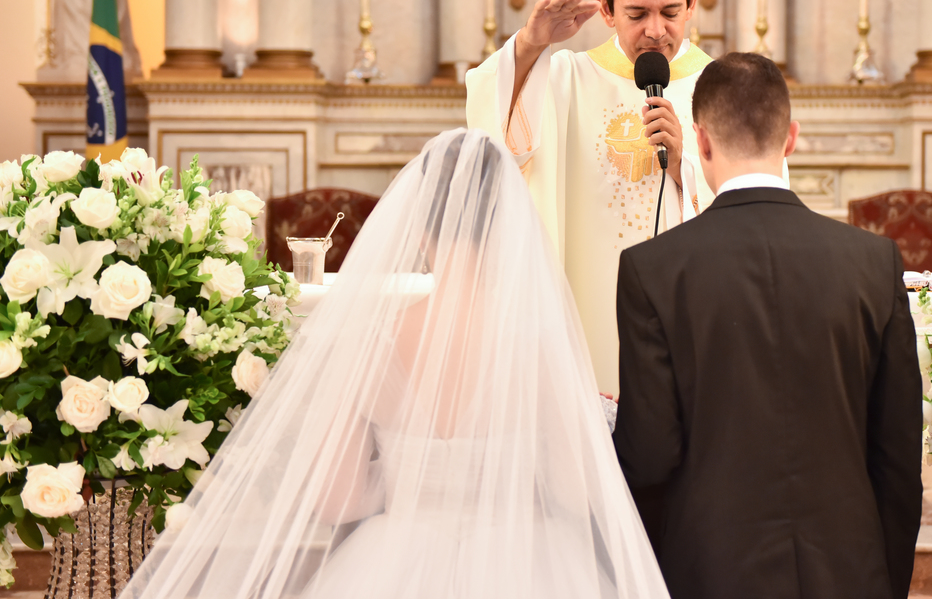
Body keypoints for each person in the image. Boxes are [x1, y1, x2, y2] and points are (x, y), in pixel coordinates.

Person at [119, 129, 671, 599]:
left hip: (393, 558)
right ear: (507, 225)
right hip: (529, 559)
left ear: (419, 226)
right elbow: (575, 491)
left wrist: (411, 485)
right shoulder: (534, 337)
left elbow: (338, 498)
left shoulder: (378, 338)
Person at [612, 53, 924, 599]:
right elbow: (898, 456)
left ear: (701, 142)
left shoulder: (651, 271)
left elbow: (650, 459)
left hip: (707, 571)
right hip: (852, 573)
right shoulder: (873, 262)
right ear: (791, 139)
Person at [466, 0, 712, 395]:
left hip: (693, 318)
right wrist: (530, 45)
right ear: (605, 8)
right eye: (637, 13)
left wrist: (686, 167)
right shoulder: (565, 79)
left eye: (670, 11)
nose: (655, 30)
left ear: (693, 0)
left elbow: (755, 196)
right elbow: (500, 136)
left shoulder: (721, 87)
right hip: (588, 316)